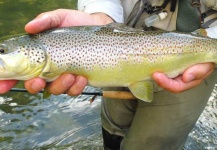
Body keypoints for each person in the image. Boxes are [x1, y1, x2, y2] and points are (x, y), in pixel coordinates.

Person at [1, 0, 217, 149]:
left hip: (194, 45)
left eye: (3, 51)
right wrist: (98, 13)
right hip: (118, 34)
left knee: (152, 142)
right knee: (114, 127)